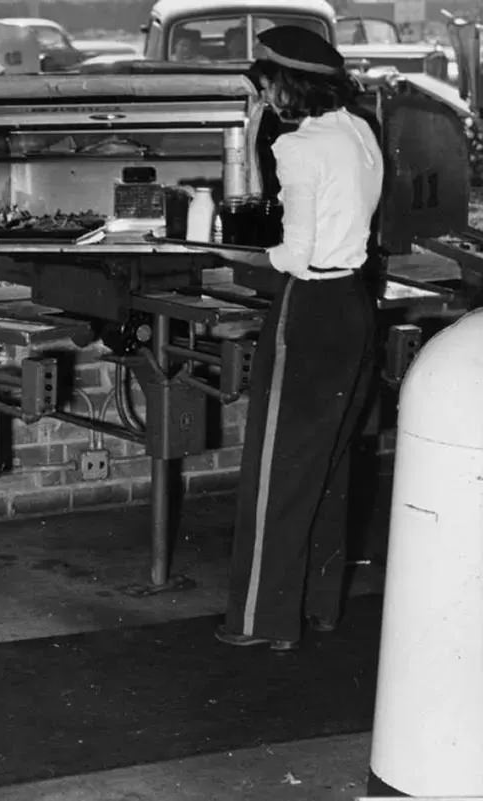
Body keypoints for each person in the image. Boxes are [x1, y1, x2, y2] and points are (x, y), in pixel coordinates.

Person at [210, 26, 382, 652]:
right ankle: (317, 608)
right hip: (354, 303)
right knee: (329, 464)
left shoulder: (301, 147)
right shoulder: (358, 130)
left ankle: (259, 621)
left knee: (276, 468)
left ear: (290, 83)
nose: (267, 95)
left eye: (269, 83)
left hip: (308, 306)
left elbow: (296, 252)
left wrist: (230, 251)